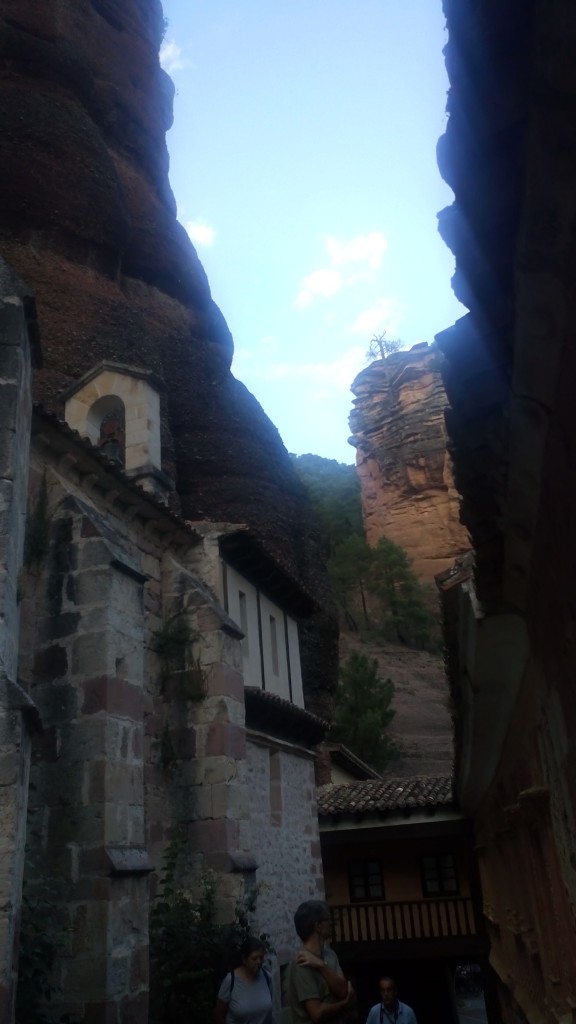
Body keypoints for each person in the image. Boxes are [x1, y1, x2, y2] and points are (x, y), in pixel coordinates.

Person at [284, 899, 355, 1022]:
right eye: (327, 919)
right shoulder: (302, 963)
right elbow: (317, 1013)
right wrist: (343, 1004)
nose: (331, 923)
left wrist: (321, 966)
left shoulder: (330, 955)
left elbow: (344, 991)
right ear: (318, 926)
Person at [214, 936, 273, 1024]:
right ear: (244, 959)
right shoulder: (231, 981)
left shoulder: (267, 977)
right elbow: (219, 1014)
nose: (259, 962)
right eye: (254, 958)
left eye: (261, 957)